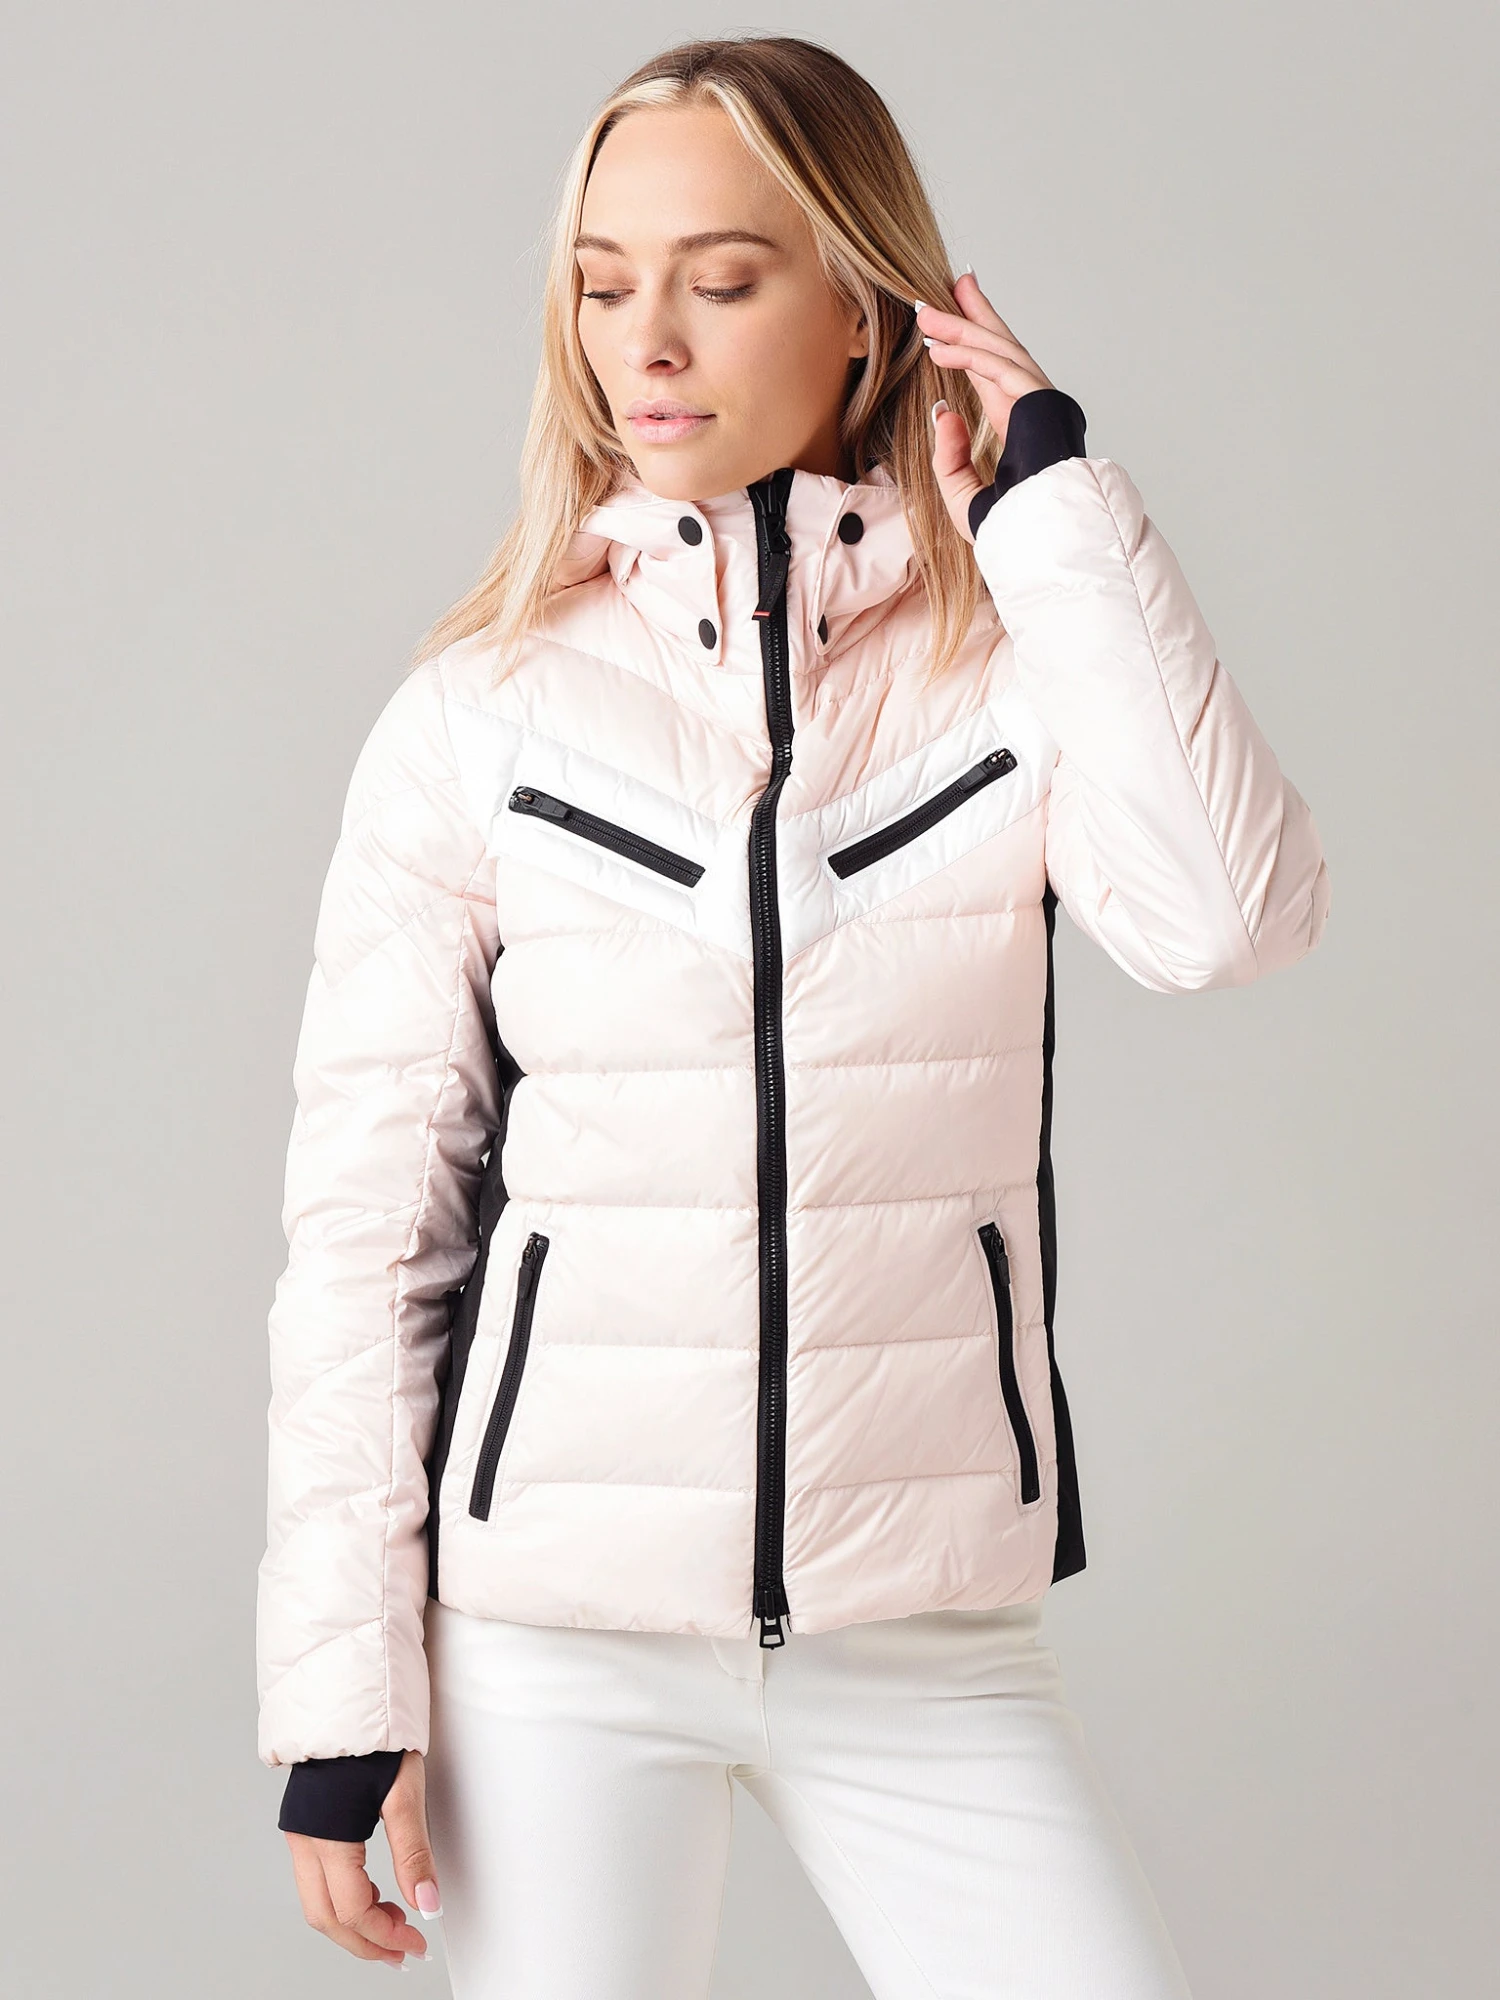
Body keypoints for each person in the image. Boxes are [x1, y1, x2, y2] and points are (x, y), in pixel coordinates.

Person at [256, 32, 1328, 1995]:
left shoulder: (1008, 673)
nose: (646, 341)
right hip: (553, 1645)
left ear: (861, 305)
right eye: (604, 284)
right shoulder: (481, 718)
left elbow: (1231, 919)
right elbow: (368, 1233)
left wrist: (1058, 512)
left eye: (723, 278)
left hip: (924, 1633)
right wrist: (345, 1691)